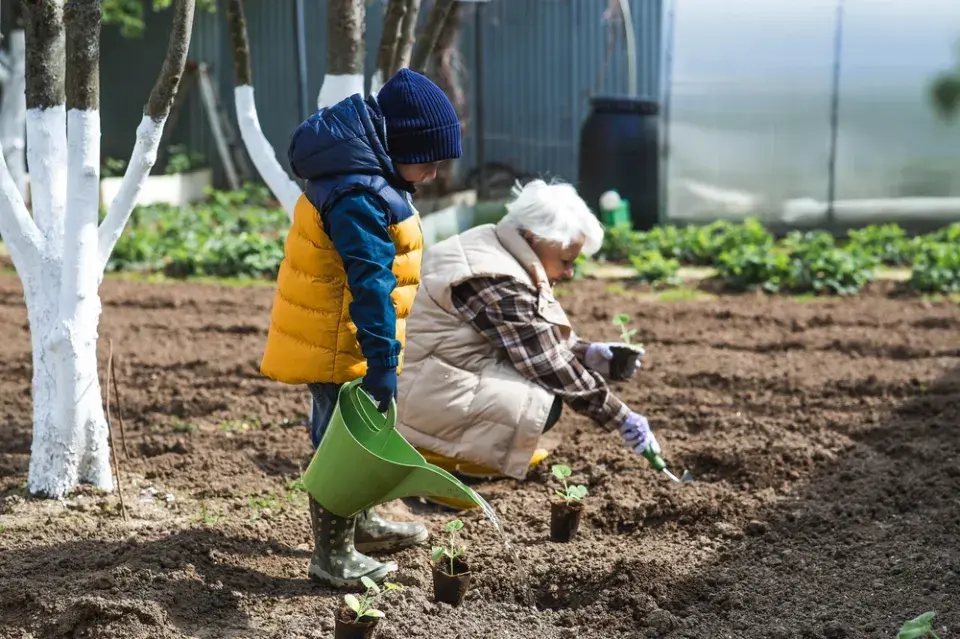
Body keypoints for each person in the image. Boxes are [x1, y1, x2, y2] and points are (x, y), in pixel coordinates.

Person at [259, 68, 462, 587]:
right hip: (336, 339)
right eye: (431, 160)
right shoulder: (358, 196)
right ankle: (332, 556)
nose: (435, 174)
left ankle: (361, 525)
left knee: (361, 436)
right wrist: (382, 361)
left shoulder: (368, 178)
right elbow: (370, 284)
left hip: (344, 335)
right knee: (339, 445)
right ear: (400, 145)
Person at [394, 179, 660, 509]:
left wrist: (588, 352)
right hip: (419, 393)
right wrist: (622, 418)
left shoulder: (492, 244)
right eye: (565, 261)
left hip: (425, 375)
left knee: (533, 393)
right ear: (536, 238)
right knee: (542, 402)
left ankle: (461, 452)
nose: (570, 272)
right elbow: (547, 361)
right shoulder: (496, 279)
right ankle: (437, 463)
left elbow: (530, 333)